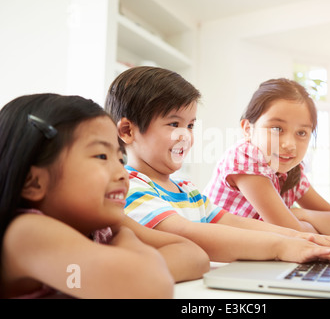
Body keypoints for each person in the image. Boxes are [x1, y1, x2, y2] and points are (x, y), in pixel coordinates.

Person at [105, 66, 330, 265]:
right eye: (174, 124)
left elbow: (231, 221)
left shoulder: (186, 189)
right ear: (127, 131)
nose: (186, 136)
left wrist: (303, 238)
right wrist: (283, 246)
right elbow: (185, 233)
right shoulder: (128, 186)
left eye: (190, 126)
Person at [0, 93, 208, 299]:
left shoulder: (100, 224)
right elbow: (152, 286)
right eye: (101, 156)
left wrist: (129, 268)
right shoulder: (27, 232)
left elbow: (196, 255)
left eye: (119, 158)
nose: (123, 173)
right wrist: (128, 240)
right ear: (34, 183)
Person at [204, 78, 330, 237]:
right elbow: (291, 233)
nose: (289, 144)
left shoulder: (292, 171)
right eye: (277, 128)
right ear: (247, 129)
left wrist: (300, 214)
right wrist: (305, 226)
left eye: (301, 133)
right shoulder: (244, 158)